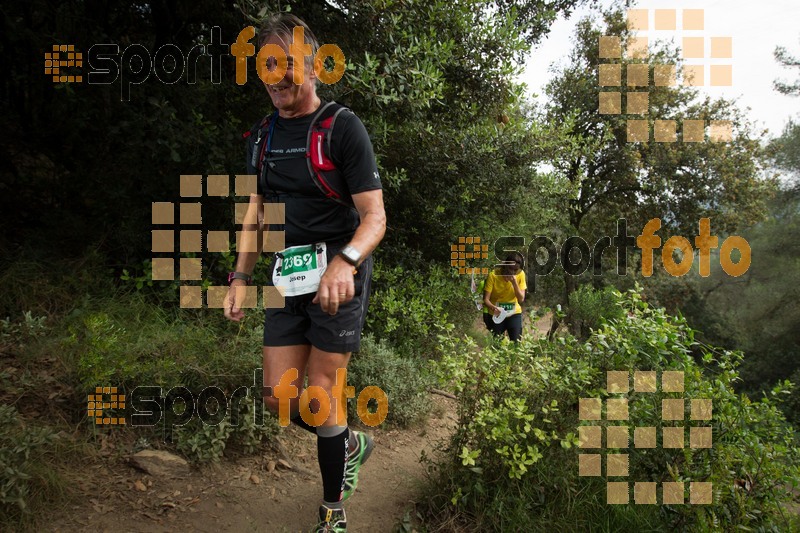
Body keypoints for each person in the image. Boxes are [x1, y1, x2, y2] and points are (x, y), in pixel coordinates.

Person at [223, 14, 386, 533]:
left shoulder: (342, 128)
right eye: (266, 65)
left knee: (320, 390)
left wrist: (346, 260)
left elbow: (375, 218)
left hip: (339, 280)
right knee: (278, 397)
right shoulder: (263, 135)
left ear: (313, 66)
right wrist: (240, 277)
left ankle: (332, 512)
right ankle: (349, 441)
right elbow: (255, 213)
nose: (276, 76)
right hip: (286, 278)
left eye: (286, 64)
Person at [482, 252, 527, 341]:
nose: (512, 271)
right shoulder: (493, 275)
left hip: (514, 313)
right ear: (505, 265)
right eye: (510, 268)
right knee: (498, 345)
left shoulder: (520, 274)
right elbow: (486, 299)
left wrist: (514, 282)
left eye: (516, 270)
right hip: (497, 313)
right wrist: (493, 308)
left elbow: (521, 299)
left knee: (516, 343)